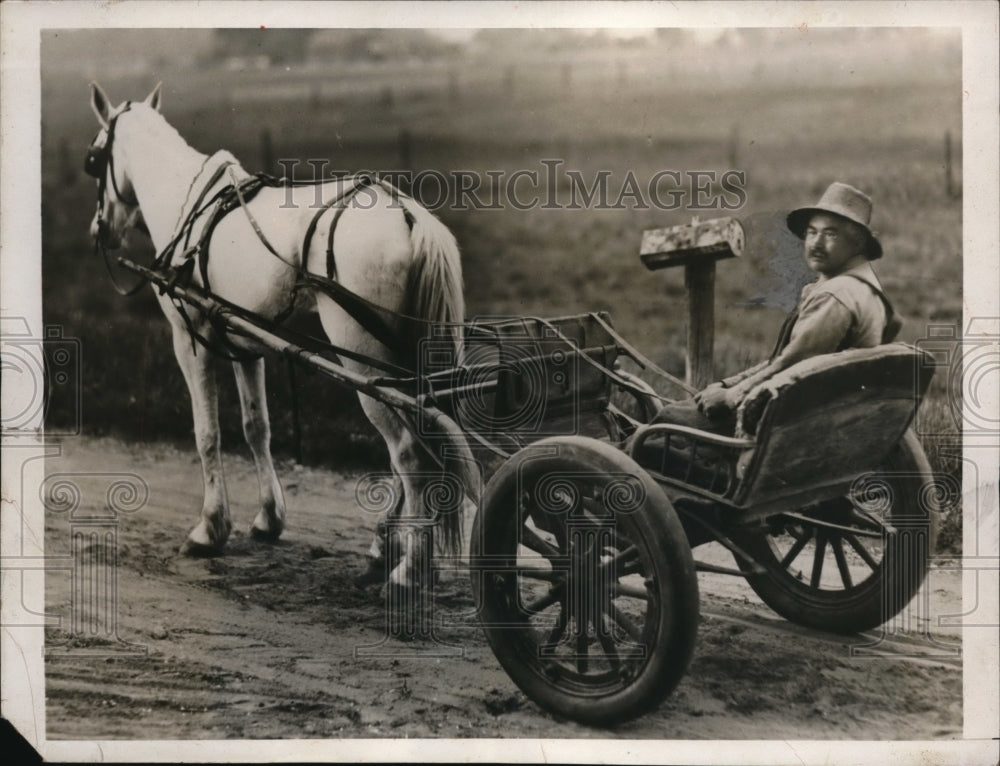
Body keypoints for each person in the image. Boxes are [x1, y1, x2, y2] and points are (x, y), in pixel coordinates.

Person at [653, 181, 900, 433]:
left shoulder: (837, 296)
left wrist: (730, 397)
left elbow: (793, 363)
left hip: (798, 419)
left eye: (831, 234)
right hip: (826, 407)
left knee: (668, 418)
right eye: (812, 233)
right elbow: (786, 359)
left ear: (857, 242)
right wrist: (728, 384)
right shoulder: (865, 288)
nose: (815, 243)